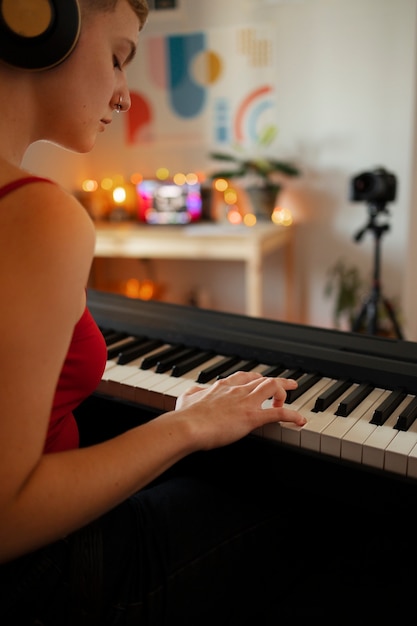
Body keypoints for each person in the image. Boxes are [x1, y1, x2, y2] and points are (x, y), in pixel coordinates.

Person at [0, 1, 318, 624]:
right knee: (316, 504)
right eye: (118, 57)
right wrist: (187, 425)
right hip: (40, 574)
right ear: (39, 21)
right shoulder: (38, 215)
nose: (123, 95)